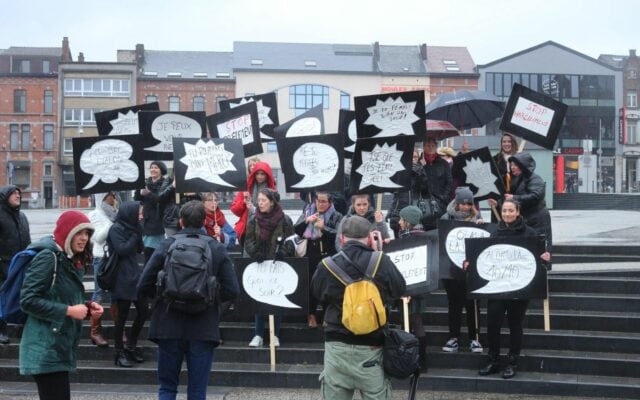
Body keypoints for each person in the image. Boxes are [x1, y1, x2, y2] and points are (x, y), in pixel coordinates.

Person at [137, 200, 239, 400]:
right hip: (203, 326)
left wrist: (162, 297)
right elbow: (232, 290)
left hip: (168, 324)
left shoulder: (167, 245)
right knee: (197, 391)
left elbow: (143, 285)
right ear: (204, 221)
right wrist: (211, 300)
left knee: (167, 388)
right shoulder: (215, 248)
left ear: (181, 221)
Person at [311, 216, 406, 400]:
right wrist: (378, 253)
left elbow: (316, 292)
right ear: (370, 238)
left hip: (336, 344)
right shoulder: (381, 261)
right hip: (371, 347)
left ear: (342, 239)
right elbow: (400, 288)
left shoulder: (326, 265)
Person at [19, 210, 103, 400]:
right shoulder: (49, 257)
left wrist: (87, 308)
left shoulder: (68, 259)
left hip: (57, 344)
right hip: (44, 346)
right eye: (79, 233)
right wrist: (69, 310)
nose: (84, 238)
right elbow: (28, 300)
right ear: (67, 232)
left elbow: (60, 296)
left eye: (87, 233)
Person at [477, 199, 551, 379]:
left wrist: (545, 259)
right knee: (492, 325)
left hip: (520, 289)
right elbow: (484, 256)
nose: (507, 214)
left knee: (515, 325)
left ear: (518, 212)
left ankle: (512, 362)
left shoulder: (531, 233)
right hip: (497, 287)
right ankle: (493, 360)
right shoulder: (493, 231)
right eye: (504, 211)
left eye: (511, 210)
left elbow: (540, 262)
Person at [244, 188, 294, 347]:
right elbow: (248, 240)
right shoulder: (253, 219)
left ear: (272, 202)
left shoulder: (285, 220)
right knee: (260, 298)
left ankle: (275, 335)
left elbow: (291, 241)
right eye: (259, 200)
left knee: (276, 300)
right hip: (259, 265)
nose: (260, 203)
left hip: (277, 265)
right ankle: (258, 334)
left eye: (264, 200)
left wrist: (284, 252)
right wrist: (255, 253)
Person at [440, 187, 484, 354]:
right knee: (454, 304)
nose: (466, 207)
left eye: (469, 204)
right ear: (457, 203)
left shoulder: (477, 217)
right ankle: (454, 338)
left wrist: (482, 226)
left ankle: (474, 338)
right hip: (451, 270)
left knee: (473, 304)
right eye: (463, 204)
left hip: (471, 269)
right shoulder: (447, 217)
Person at [489, 152, 553, 264]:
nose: (512, 167)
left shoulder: (535, 179)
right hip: (526, 218)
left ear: (523, 165)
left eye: (515, 165)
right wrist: (498, 203)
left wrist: (515, 197)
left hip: (537, 219)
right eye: (511, 165)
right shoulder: (515, 179)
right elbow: (509, 199)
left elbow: (536, 195)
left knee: (540, 247)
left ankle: (542, 270)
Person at [294, 191, 343, 328]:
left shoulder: (336, 215)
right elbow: (296, 230)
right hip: (310, 253)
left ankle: (328, 315)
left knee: (327, 286)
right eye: (318, 201)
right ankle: (311, 315)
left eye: (323, 202)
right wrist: (307, 221)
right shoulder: (308, 212)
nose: (320, 204)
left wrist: (324, 228)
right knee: (310, 285)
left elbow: (340, 235)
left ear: (330, 202)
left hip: (328, 254)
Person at [108, 201, 147, 368]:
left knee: (143, 312)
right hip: (122, 278)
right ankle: (119, 352)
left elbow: (139, 249)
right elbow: (122, 249)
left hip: (134, 275)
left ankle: (131, 345)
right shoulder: (116, 229)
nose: (139, 215)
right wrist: (134, 236)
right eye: (137, 212)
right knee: (121, 318)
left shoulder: (133, 228)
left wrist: (138, 231)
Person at [396, 205, 430, 372]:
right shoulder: (414, 236)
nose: (399, 222)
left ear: (408, 222)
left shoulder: (411, 238)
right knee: (410, 321)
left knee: (415, 321)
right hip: (414, 287)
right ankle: (415, 359)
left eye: (401, 219)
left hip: (413, 288)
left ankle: (420, 361)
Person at [0, 185, 31, 344]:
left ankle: (23, 327)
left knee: (24, 295)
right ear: (5, 197)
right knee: (2, 298)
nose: (18, 196)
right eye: (14, 194)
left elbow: (28, 240)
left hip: (21, 264)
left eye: (19, 193)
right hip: (3, 264)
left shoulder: (22, 216)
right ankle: (1, 329)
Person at [87, 191, 119, 347]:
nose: (113, 198)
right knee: (99, 293)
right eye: (110, 195)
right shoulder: (94, 214)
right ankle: (95, 331)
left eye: (114, 195)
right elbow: (97, 238)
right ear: (102, 197)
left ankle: (119, 330)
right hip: (100, 257)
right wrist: (111, 224)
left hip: (115, 257)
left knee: (116, 294)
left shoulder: (116, 213)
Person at [230, 161, 276, 250]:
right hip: (247, 229)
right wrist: (243, 202)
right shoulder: (246, 188)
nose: (259, 176)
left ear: (267, 175)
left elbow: (274, 211)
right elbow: (235, 209)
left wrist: (252, 208)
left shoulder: (272, 191)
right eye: (257, 174)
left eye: (262, 174)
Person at [413, 137, 453, 230]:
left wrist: (444, 196)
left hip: (441, 202)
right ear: (423, 147)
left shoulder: (443, 163)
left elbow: (449, 181)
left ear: (436, 147)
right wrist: (422, 167)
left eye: (433, 145)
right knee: (426, 228)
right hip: (424, 203)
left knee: (441, 227)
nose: (430, 148)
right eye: (428, 145)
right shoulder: (418, 163)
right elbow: (416, 184)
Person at [135, 160, 169, 262]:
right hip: (146, 220)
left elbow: (161, 200)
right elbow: (137, 200)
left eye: (156, 167)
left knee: (154, 252)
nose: (153, 169)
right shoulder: (146, 183)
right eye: (151, 167)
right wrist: (138, 190)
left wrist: (148, 193)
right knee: (147, 251)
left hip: (158, 220)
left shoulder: (165, 183)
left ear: (161, 170)